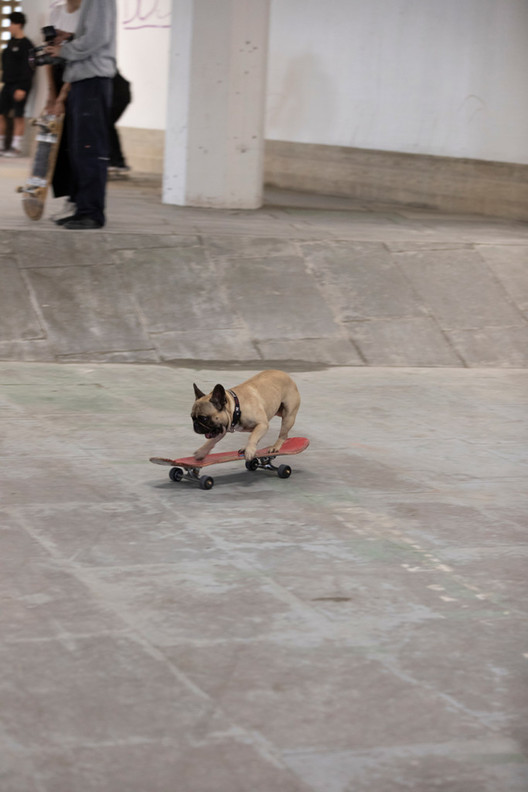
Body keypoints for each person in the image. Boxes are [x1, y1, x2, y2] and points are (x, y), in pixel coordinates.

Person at [47, 0, 116, 230]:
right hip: (81, 79)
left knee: (89, 150)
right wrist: (70, 37)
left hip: (93, 80)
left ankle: (91, 213)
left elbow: (98, 38)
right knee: (78, 150)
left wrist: (64, 49)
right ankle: (80, 207)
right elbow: (91, 35)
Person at [45, 0, 82, 219]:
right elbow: (48, 54)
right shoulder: (57, 11)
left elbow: (79, 60)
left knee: (74, 143)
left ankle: (77, 200)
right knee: (59, 144)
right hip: (59, 77)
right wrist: (51, 94)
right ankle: (68, 198)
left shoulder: (87, 12)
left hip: (77, 80)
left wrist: (62, 96)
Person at [0, 12, 34, 157]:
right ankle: (1, 145)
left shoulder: (28, 45)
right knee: (1, 114)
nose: (9, 27)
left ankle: (16, 147)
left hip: (19, 85)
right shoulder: (10, 43)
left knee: (18, 116)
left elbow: (29, 68)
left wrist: (23, 88)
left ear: (18, 24)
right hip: (7, 84)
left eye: (11, 24)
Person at [108, 70, 131, 175]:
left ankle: (116, 161)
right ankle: (116, 161)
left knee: (106, 125)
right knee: (107, 125)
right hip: (117, 93)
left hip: (117, 94)